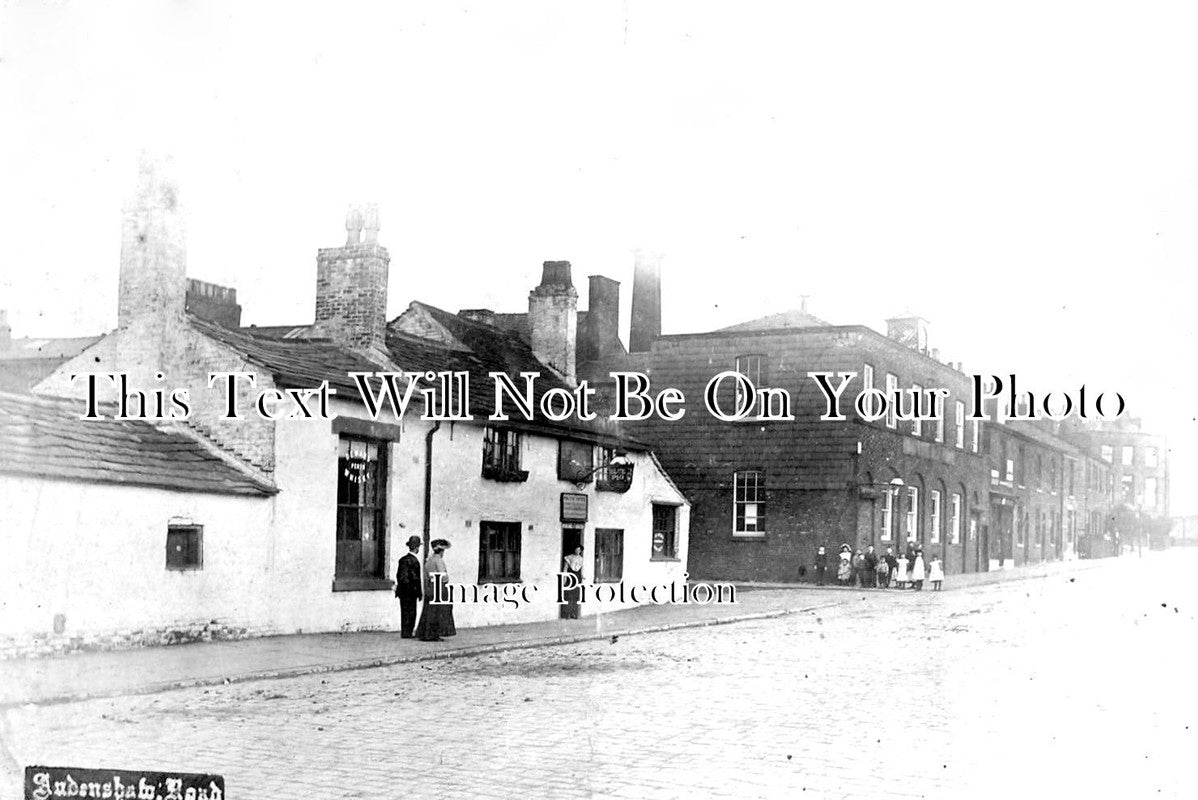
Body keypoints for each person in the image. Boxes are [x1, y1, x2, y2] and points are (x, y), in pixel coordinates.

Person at [415, 539, 456, 641]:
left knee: (429, 611)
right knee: (439, 612)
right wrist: (446, 578)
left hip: (430, 587)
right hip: (439, 588)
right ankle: (434, 634)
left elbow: (425, 576)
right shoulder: (439, 561)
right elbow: (443, 577)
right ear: (441, 551)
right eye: (443, 551)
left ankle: (425, 633)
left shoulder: (428, 561)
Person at [393, 535, 423, 638]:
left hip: (403, 592)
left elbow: (399, 576)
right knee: (411, 612)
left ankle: (405, 632)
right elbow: (416, 579)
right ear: (417, 548)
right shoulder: (415, 561)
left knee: (404, 612)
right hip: (411, 592)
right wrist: (419, 592)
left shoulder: (402, 560)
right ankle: (409, 632)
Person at [562, 545, 584, 619]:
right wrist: (564, 578)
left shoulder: (581, 559)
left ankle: (574, 613)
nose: (577, 551)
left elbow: (581, 569)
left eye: (579, 550)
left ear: (580, 551)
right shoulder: (569, 557)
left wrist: (583, 577)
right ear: (574, 550)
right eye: (576, 549)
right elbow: (565, 568)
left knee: (576, 596)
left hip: (578, 577)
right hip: (570, 576)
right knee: (568, 595)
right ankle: (567, 613)